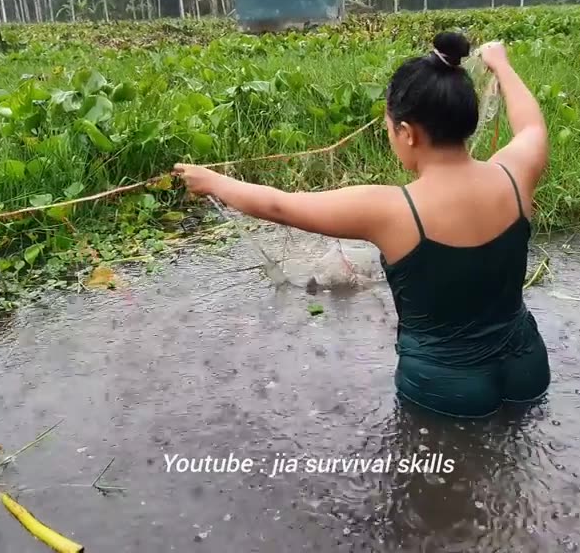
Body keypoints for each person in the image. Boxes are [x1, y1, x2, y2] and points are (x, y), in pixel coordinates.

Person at [173, 32, 551, 418]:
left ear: (407, 132)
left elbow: (279, 206)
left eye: (389, 127)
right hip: (528, 367)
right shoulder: (513, 174)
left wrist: (213, 181)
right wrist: (501, 65)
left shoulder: (391, 210)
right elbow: (532, 128)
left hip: (445, 387)